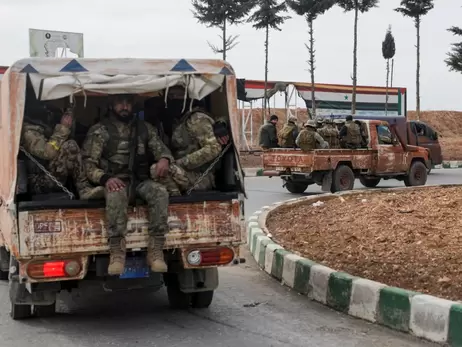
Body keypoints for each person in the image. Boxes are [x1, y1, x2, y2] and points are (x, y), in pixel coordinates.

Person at [82, 94, 174, 275]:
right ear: (111, 105)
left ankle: (155, 250)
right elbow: (88, 164)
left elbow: (161, 149)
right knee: (116, 193)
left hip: (139, 181)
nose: (124, 106)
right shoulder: (100, 130)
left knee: (160, 191)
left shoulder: (144, 129)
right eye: (120, 102)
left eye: (128, 103)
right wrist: (105, 178)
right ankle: (117, 251)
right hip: (114, 181)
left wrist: (164, 159)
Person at [150, 86, 224, 195]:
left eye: (178, 95)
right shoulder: (177, 120)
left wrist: (182, 162)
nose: (174, 99)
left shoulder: (197, 118)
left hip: (202, 176)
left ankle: (175, 201)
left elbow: (214, 148)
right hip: (185, 173)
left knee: (156, 169)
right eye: (171, 96)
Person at [21, 104, 103, 200]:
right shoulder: (28, 132)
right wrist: (63, 128)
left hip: (48, 176)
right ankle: (83, 188)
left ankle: (84, 188)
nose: (49, 114)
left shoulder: (42, 127)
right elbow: (48, 153)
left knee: (70, 144)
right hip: (37, 183)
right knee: (70, 145)